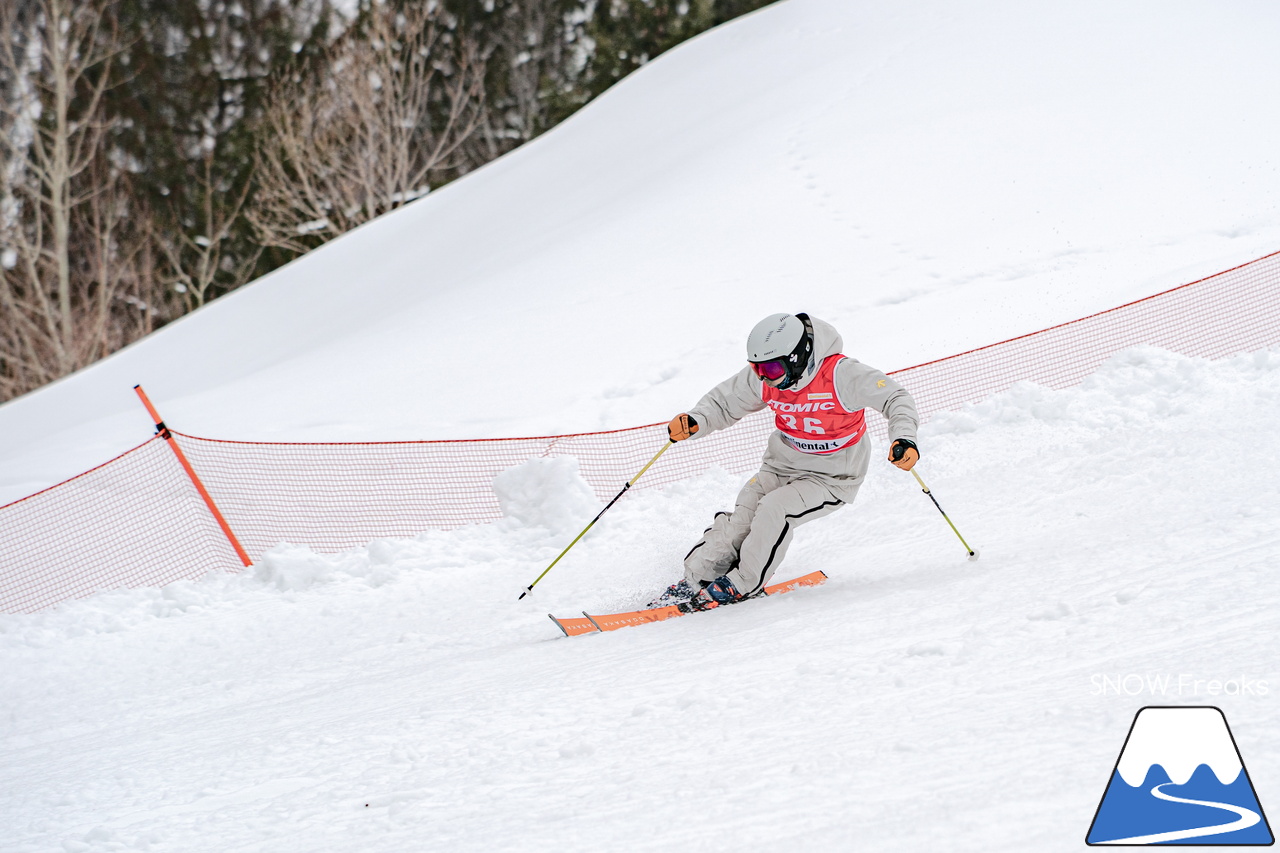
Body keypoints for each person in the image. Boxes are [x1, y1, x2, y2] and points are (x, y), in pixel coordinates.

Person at [655, 312, 921, 609]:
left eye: (770, 368)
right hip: (781, 464)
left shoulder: (841, 375)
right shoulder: (765, 379)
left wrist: (904, 438)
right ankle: (697, 576)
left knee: (775, 509)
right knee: (744, 513)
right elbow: (724, 402)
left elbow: (896, 398)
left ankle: (743, 583)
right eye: (756, 369)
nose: (763, 376)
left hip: (831, 477)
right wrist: (697, 420)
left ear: (797, 357)